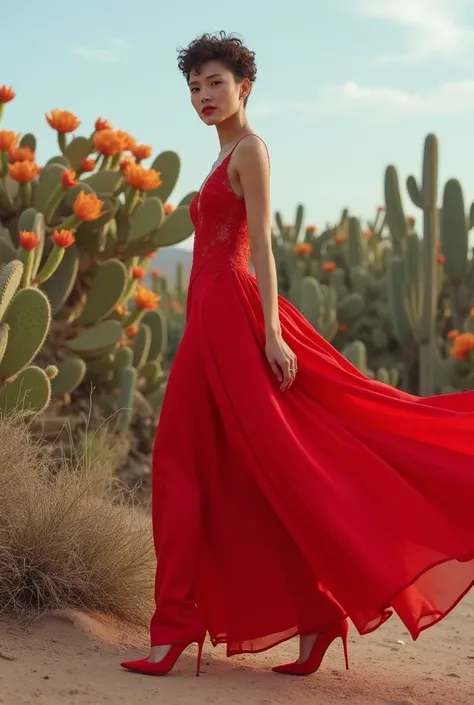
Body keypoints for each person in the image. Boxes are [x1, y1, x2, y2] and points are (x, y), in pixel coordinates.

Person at [121, 31, 474, 678]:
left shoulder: (251, 150)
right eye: (194, 87)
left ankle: (176, 629)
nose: (203, 95)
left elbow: (261, 244)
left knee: (220, 458)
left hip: (233, 312)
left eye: (215, 83)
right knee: (221, 464)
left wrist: (273, 334)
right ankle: (309, 619)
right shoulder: (220, 152)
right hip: (205, 315)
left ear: (244, 87)